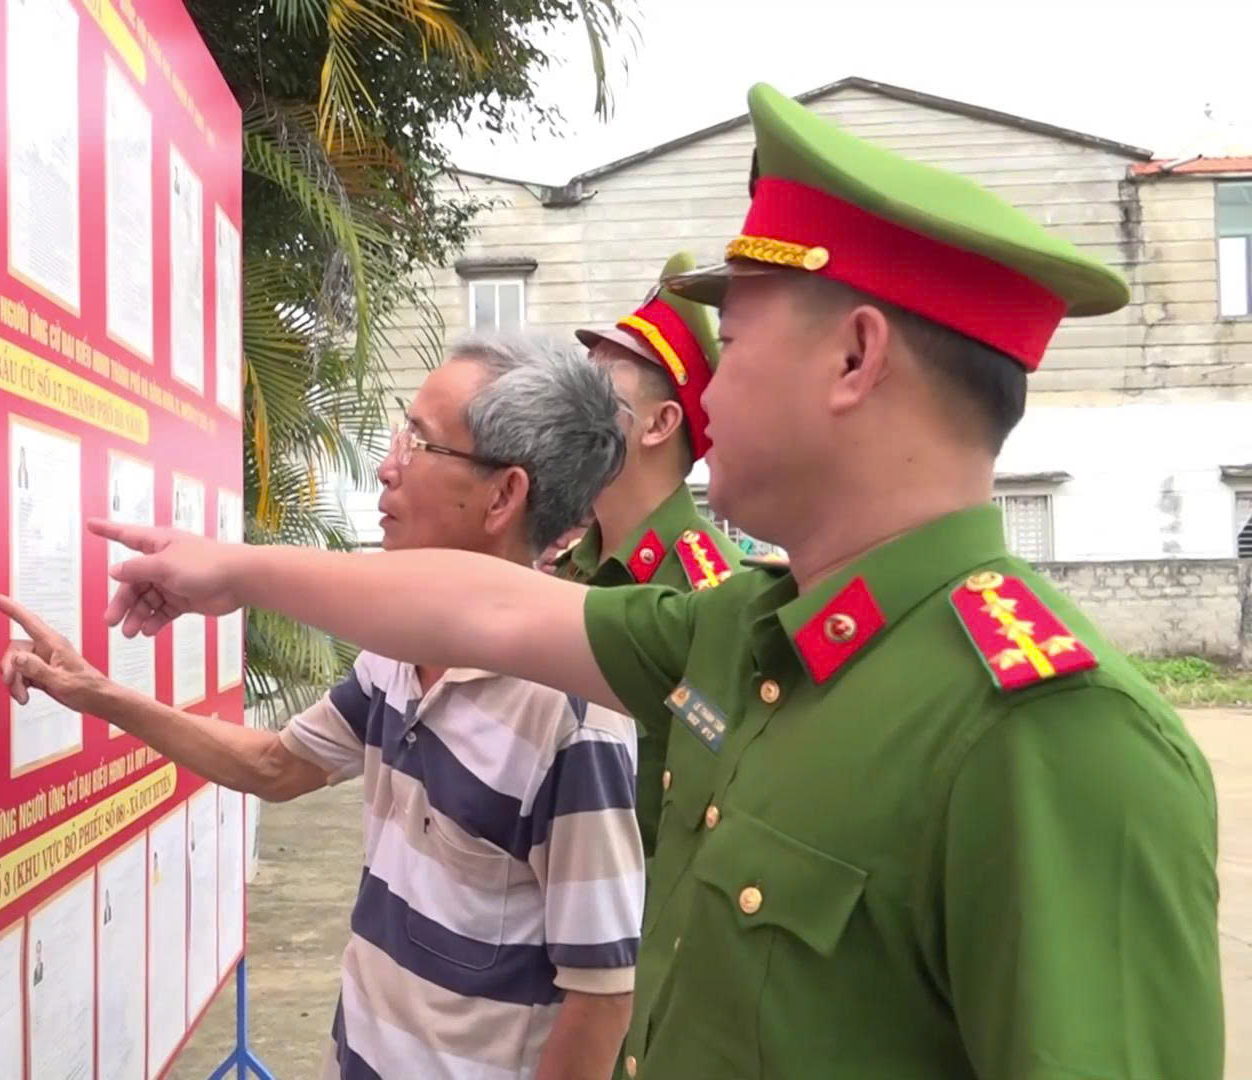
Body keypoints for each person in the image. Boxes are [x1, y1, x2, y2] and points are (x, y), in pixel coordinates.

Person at [85, 83, 1223, 1080]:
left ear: (855, 356)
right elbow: (481, 606)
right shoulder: (747, 632)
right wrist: (228, 570)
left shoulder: (1052, 738)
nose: (703, 396)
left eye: (738, 340)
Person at [0, 333, 644, 1080]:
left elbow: (601, 996)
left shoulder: (571, 717)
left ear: (503, 496)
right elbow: (278, 765)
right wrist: (96, 694)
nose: (387, 466)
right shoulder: (397, 652)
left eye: (419, 444)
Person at [560, 250, 745, 857]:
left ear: (659, 424)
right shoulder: (568, 569)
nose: (568, 419)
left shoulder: (710, 591)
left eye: (594, 400)